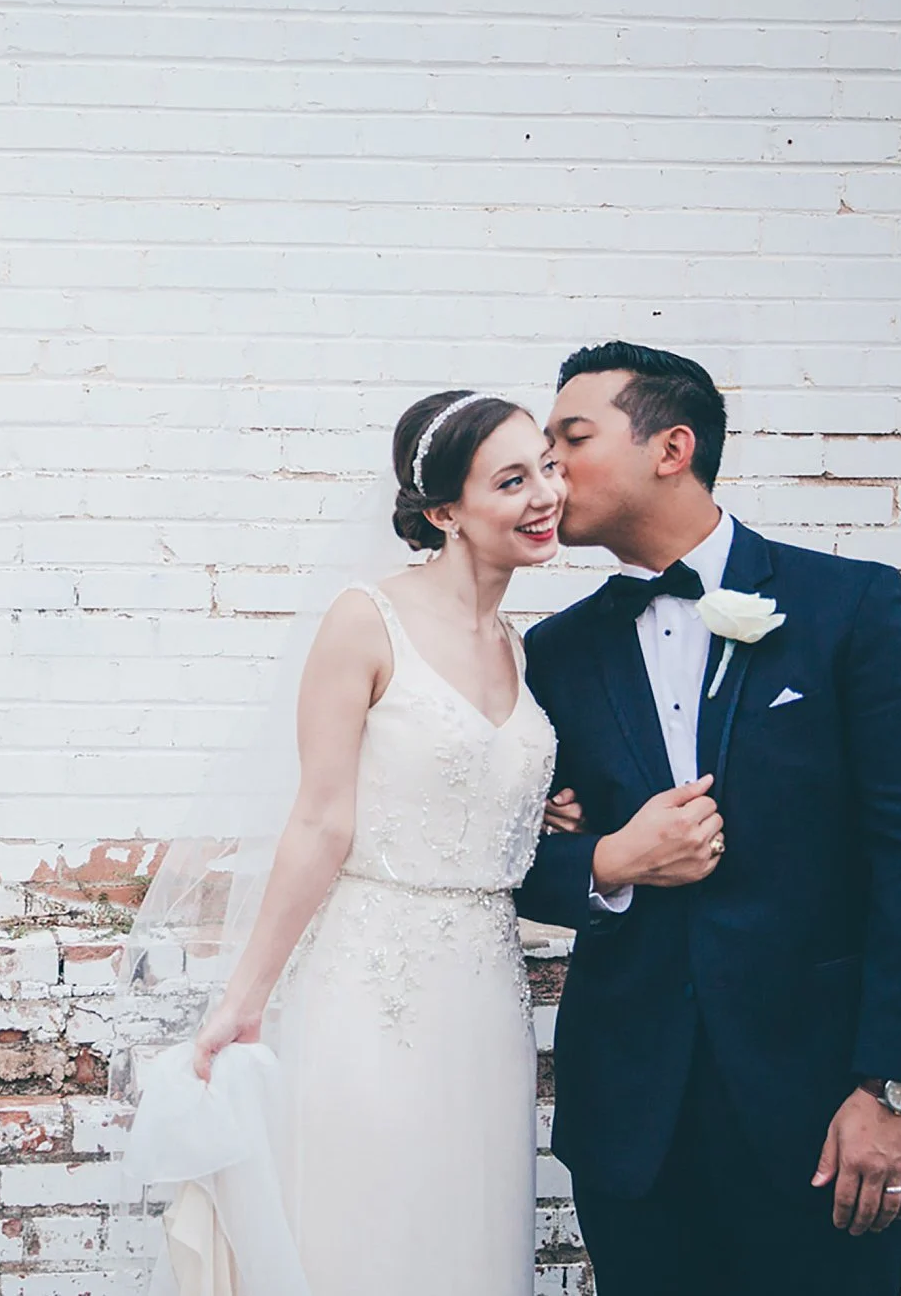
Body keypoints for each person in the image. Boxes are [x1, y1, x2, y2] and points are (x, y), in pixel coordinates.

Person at [515, 341, 901, 1296]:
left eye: (572, 440)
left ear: (670, 447)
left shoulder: (850, 606)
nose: (550, 472)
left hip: (823, 1113)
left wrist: (894, 1088)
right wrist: (608, 858)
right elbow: (512, 861)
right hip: (632, 1122)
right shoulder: (555, 654)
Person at [119, 388, 567, 1294]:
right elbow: (322, 820)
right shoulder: (368, 619)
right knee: (376, 1228)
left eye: (548, 468)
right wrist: (245, 996)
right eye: (512, 480)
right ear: (444, 512)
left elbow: (471, 787)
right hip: (374, 981)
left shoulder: (517, 645)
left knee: (468, 1234)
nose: (545, 495)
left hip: (487, 994)